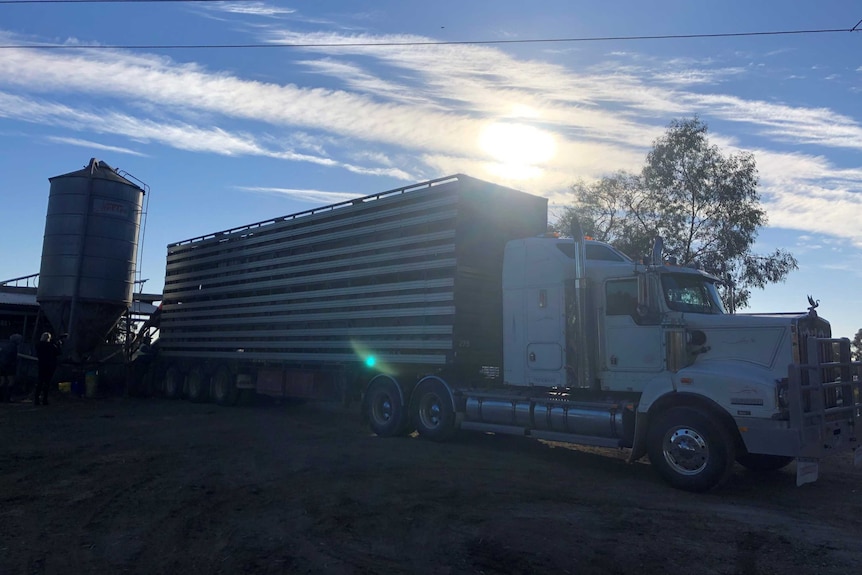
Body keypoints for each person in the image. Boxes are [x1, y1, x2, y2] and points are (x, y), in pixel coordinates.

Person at [35, 332, 62, 406]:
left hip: (41, 364)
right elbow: (58, 353)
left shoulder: (38, 345)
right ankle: (45, 399)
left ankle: (36, 399)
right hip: (50, 365)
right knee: (47, 382)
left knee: (40, 381)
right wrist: (58, 345)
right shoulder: (51, 346)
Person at [0, 334, 22, 402]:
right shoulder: (13, 347)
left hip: (2, 365)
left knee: (2, 381)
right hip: (9, 366)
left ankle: (1, 397)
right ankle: (7, 397)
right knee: (11, 381)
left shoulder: (6, 346)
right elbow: (12, 357)